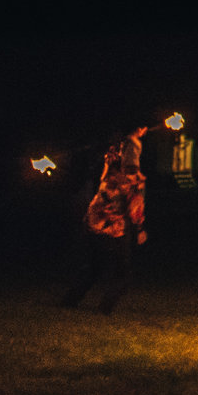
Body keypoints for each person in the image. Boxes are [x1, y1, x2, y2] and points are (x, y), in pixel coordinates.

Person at [59, 125, 148, 313]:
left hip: (93, 221)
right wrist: (139, 229)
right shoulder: (131, 176)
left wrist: (132, 136)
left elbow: (118, 152)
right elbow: (134, 204)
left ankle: (70, 300)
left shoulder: (111, 163)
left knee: (94, 266)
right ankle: (105, 308)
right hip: (112, 225)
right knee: (123, 272)